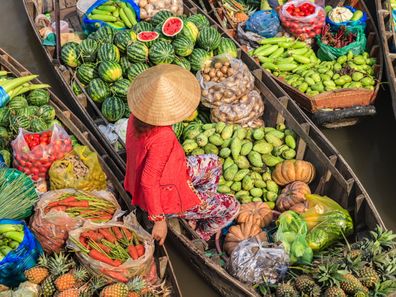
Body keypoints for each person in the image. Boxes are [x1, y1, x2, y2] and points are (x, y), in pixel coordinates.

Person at [124, 64, 240, 246]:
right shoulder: (163, 136)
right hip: (164, 196)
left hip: (171, 172)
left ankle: (195, 211)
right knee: (232, 206)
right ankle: (201, 233)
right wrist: (159, 220)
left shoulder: (136, 116)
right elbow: (148, 180)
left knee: (214, 163)